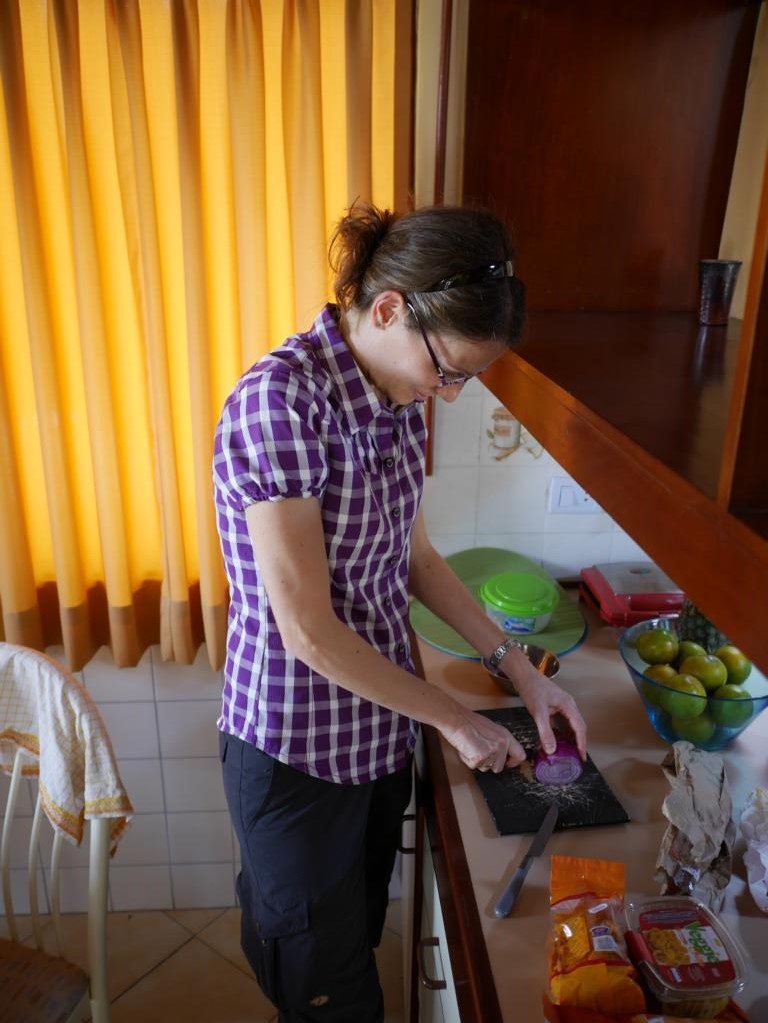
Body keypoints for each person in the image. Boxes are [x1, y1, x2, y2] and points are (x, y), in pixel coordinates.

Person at [212, 202, 587, 1022]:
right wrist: (457, 720)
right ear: (387, 309)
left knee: (354, 938)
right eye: (447, 371)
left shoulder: (394, 396)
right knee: (321, 985)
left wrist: (521, 671)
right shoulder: (281, 404)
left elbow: (416, 559)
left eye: (463, 378)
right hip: (298, 751)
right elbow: (307, 631)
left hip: (377, 734)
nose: (448, 395)